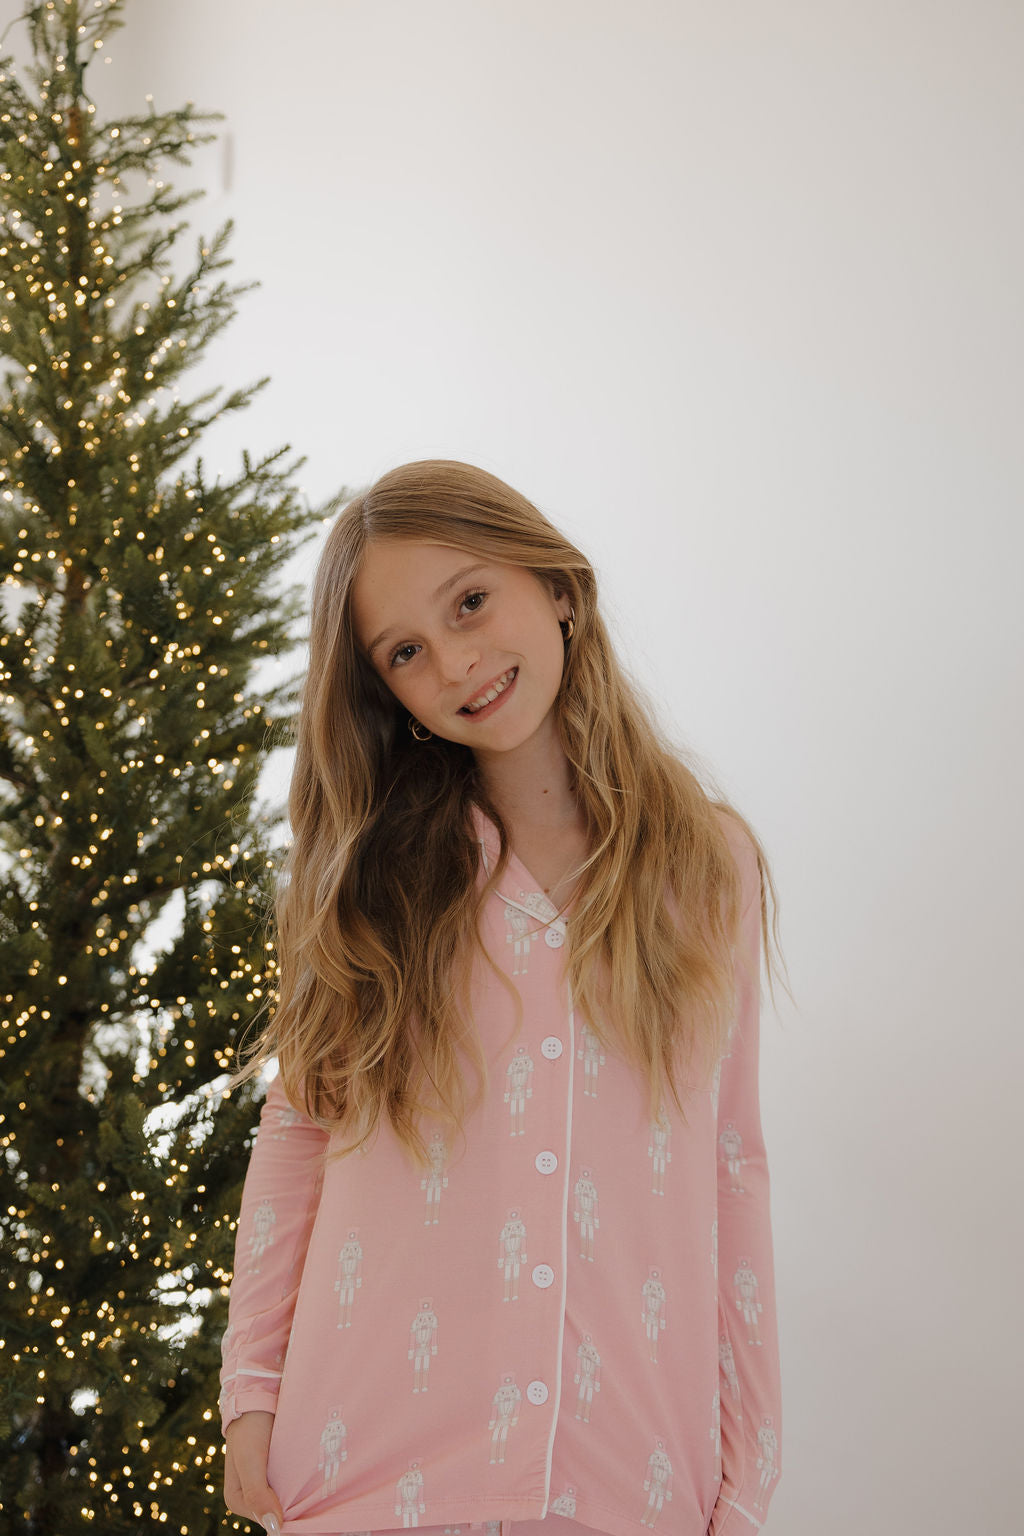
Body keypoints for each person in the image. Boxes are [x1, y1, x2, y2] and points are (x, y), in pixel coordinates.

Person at [219, 460, 786, 1536]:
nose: (456, 663)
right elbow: (302, 1120)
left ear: (556, 587)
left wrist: (746, 1470)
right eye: (405, 653)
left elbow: (729, 1162)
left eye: (470, 602)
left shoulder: (707, 870)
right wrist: (251, 1389)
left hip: (626, 1472)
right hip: (364, 1464)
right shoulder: (367, 882)